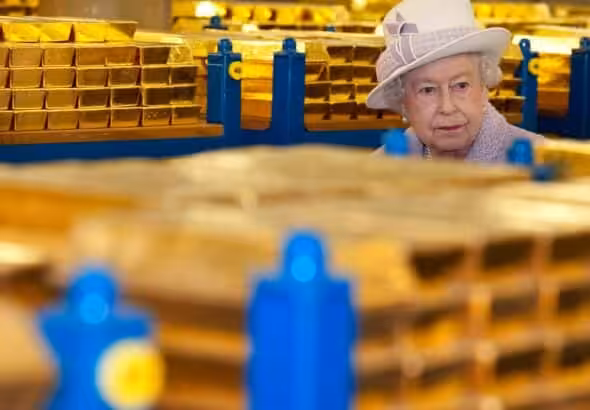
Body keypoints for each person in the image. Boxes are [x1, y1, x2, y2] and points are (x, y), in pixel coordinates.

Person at [367, 0, 543, 163]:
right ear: (403, 103)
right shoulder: (380, 168)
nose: (447, 108)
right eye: (428, 90)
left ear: (483, 89)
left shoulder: (542, 161)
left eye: (461, 85)